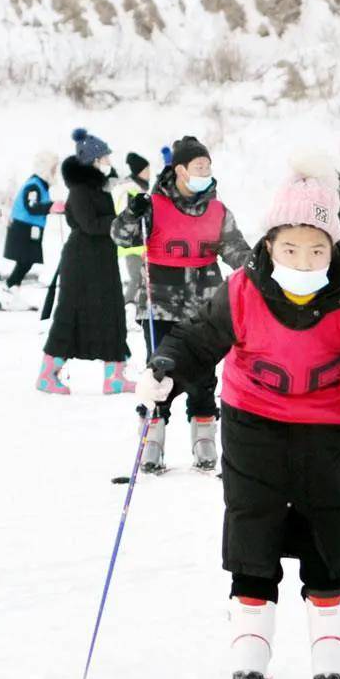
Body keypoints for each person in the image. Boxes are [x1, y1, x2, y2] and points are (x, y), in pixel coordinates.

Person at [137, 150, 340, 679]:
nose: (302, 256)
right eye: (290, 246)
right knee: (253, 524)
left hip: (325, 430)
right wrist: (166, 369)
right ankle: (249, 654)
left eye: (316, 247)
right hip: (252, 425)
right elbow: (198, 340)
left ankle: (330, 654)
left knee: (327, 525)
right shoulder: (244, 291)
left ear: (333, 247)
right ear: (269, 244)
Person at [111, 134, 250, 470]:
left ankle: (203, 437)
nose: (205, 171)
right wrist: (133, 213)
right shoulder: (153, 205)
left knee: (204, 374)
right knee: (160, 372)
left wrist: (257, 266)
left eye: (207, 165)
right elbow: (120, 235)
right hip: (159, 300)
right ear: (180, 170)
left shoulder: (217, 210)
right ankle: (151, 440)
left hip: (205, 305)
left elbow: (235, 249)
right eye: (198, 166)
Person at [36, 128, 135, 395]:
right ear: (92, 161)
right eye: (104, 158)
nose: (108, 163)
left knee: (112, 310)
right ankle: (48, 373)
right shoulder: (80, 191)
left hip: (102, 258)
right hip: (81, 261)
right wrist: (121, 220)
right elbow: (90, 224)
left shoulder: (100, 188)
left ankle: (114, 374)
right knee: (71, 313)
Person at [0, 151, 65, 311]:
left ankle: (11, 290)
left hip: (30, 229)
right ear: (46, 168)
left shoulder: (40, 185)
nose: (55, 171)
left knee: (26, 261)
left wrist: (54, 207)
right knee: (25, 261)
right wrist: (51, 206)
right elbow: (32, 206)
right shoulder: (34, 185)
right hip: (23, 229)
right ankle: (9, 290)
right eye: (53, 168)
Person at [112, 153, 152, 310]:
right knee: (137, 278)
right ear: (139, 171)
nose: (149, 172)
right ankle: (123, 308)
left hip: (137, 243)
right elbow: (129, 217)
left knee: (141, 279)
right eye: (146, 169)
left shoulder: (136, 188)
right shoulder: (131, 191)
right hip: (133, 244)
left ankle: (135, 309)